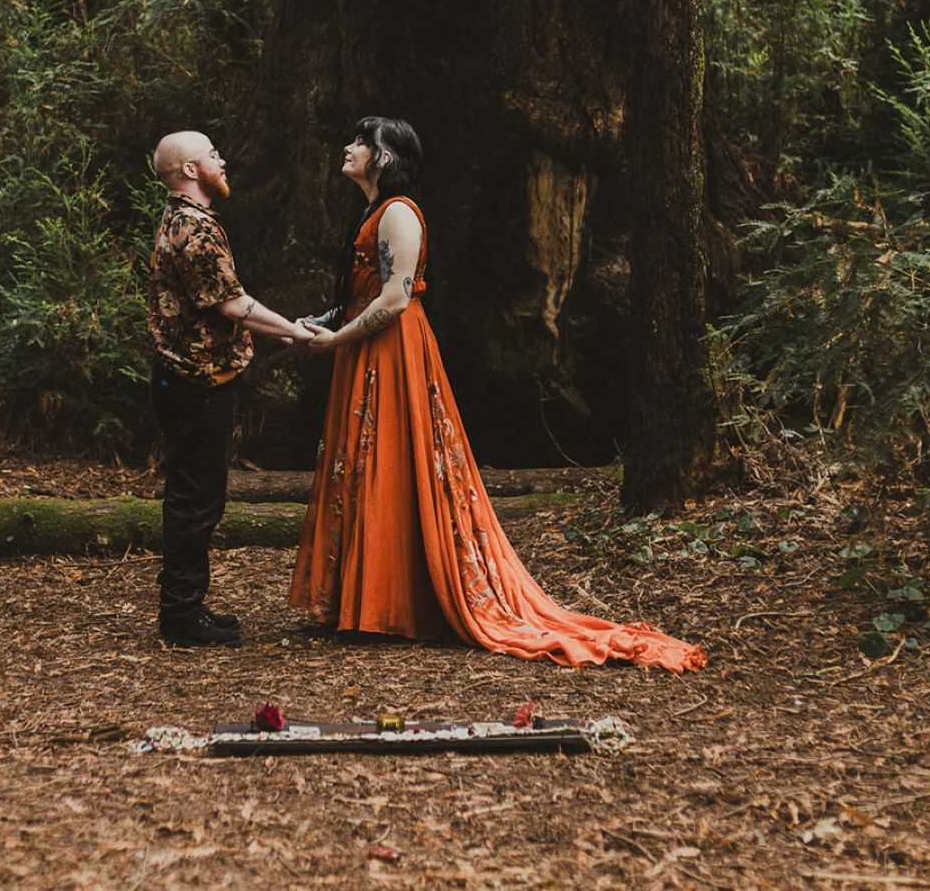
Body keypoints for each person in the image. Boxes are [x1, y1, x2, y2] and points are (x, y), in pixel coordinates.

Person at [291, 117, 705, 672]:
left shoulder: (398, 213)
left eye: (360, 141)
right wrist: (318, 325)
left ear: (385, 157)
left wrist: (336, 339)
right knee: (364, 461)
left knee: (390, 456)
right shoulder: (370, 213)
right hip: (364, 350)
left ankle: (393, 601)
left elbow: (393, 299)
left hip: (393, 350)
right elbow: (359, 292)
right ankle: (362, 599)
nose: (348, 146)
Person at [149, 130, 309, 646]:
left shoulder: (185, 222)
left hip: (195, 382)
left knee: (199, 496)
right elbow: (232, 304)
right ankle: (180, 615)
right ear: (191, 169)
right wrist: (289, 328)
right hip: (195, 386)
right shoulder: (194, 229)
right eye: (214, 154)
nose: (223, 160)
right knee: (196, 501)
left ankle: (187, 605)